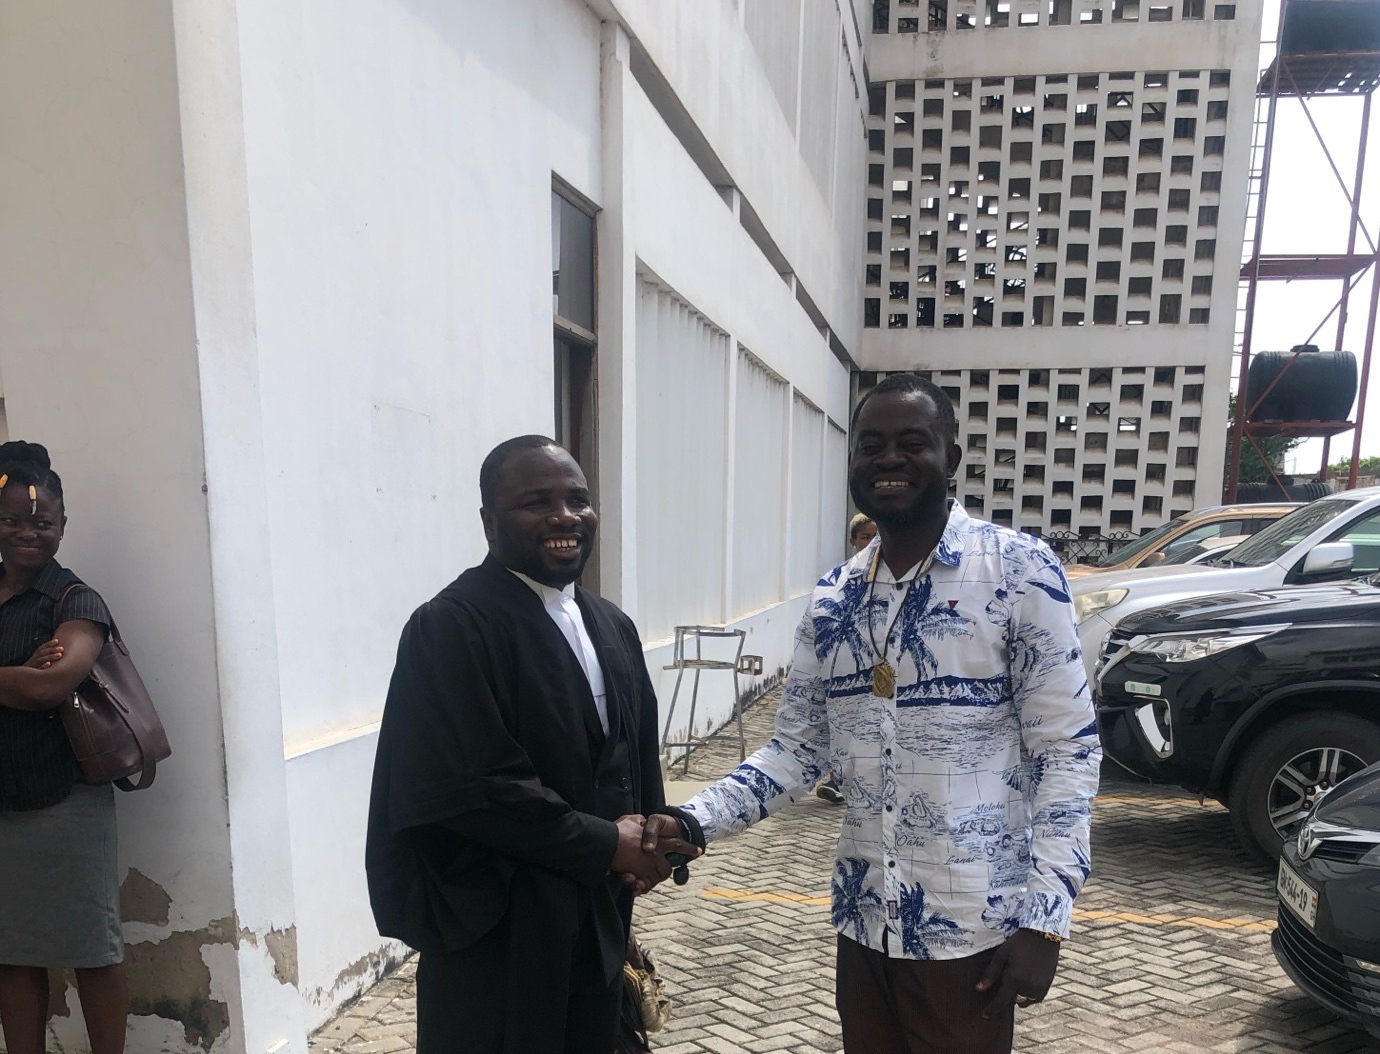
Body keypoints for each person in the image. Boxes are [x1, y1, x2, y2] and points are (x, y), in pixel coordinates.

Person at [645, 374, 1101, 1054]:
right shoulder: (834, 596)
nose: (889, 459)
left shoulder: (1017, 571)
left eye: (912, 443)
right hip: (865, 928)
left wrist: (1045, 920)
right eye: (871, 446)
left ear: (950, 458)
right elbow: (796, 753)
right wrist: (692, 820)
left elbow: (1067, 750)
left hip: (970, 938)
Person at [365, 435, 699, 1054]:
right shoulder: (451, 626)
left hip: (595, 912)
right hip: (502, 926)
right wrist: (606, 843)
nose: (565, 516)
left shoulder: (610, 624)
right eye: (537, 502)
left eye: (578, 500)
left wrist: (652, 837)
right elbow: (470, 786)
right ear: (490, 522)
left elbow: (631, 747)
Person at [0, 441, 128, 1054]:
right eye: (12, 521)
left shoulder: (75, 601)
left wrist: (35, 679)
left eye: (42, 522)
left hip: (63, 805)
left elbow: (51, 685)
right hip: (2, 803)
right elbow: (26, 687)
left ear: (62, 526)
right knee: (12, 954)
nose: (28, 532)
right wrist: (14, 676)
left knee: (89, 952)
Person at [814, 513, 879, 805]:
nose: (871, 542)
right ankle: (836, 779)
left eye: (875, 536)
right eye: (865, 536)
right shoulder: (839, 582)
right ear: (853, 540)